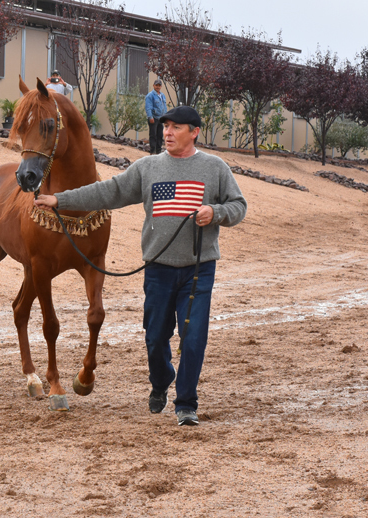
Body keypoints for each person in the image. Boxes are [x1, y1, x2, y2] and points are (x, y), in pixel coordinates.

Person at [33, 106, 247, 427]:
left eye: (176, 127)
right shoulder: (148, 168)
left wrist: (215, 213)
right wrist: (60, 199)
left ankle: (186, 404)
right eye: (166, 127)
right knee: (156, 336)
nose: (168, 132)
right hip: (158, 269)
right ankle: (161, 381)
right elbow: (109, 191)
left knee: (193, 336)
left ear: (195, 132)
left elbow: (238, 206)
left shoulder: (214, 168)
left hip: (198, 269)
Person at [145, 79, 167, 154]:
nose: (158, 87)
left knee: (160, 135)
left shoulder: (163, 95)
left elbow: (164, 107)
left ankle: (158, 151)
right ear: (153, 85)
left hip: (160, 118)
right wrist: (150, 117)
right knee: (153, 135)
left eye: (159, 85)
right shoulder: (150, 95)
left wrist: (165, 117)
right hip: (154, 118)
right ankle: (153, 151)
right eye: (156, 85)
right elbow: (148, 107)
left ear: (161, 86)